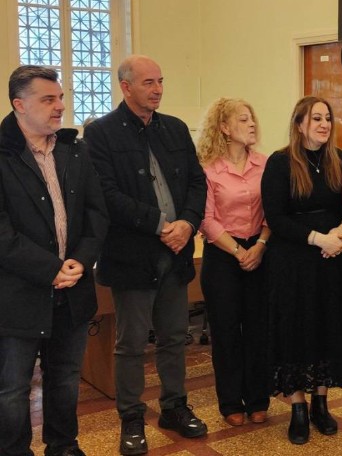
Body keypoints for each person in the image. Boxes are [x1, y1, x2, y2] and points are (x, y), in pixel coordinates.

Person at [84, 55, 208, 456]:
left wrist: (187, 222)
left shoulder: (174, 128)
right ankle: (132, 418)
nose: (157, 89)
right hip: (131, 255)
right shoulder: (101, 133)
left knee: (174, 337)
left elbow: (197, 182)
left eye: (160, 81)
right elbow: (105, 194)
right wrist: (159, 224)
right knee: (132, 342)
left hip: (176, 252)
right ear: (125, 87)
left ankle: (174, 407)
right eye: (148, 82)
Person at [0, 66, 107, 456]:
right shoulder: (3, 155)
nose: (60, 106)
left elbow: (97, 213)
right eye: (48, 99)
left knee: (64, 378)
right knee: (12, 388)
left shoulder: (74, 149)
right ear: (19, 104)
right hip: (17, 294)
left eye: (60, 97)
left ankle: (63, 446)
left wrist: (80, 260)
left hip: (72, 289)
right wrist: (50, 269)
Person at [260, 96, 342, 445]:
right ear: (299, 124)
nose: (324, 124)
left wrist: (341, 232)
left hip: (333, 261)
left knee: (328, 326)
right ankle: (298, 408)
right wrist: (319, 239)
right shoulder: (280, 162)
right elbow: (276, 218)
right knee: (297, 330)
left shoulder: (339, 159)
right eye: (316, 118)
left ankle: (320, 403)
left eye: (327, 118)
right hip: (294, 262)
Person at [197, 98, 270, 427]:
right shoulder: (208, 168)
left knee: (258, 330)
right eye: (243, 119)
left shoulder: (265, 164)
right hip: (223, 255)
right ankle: (230, 402)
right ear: (224, 128)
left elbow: (273, 211)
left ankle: (258, 399)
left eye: (252, 117)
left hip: (260, 250)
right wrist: (240, 252)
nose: (252, 123)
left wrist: (260, 246)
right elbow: (207, 219)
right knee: (226, 332)